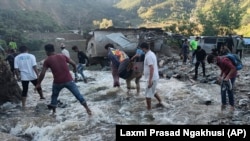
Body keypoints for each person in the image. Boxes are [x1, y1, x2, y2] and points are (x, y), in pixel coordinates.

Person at [35, 44, 92, 115]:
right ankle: (88, 109)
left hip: (57, 82)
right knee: (78, 95)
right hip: (69, 80)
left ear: (46, 51)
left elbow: (42, 73)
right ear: (54, 49)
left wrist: (38, 83)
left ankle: (54, 113)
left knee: (54, 96)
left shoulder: (47, 60)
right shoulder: (62, 56)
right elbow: (74, 63)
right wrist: (74, 69)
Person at [140, 42, 162, 110]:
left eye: (142, 49)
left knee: (147, 96)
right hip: (154, 77)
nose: (142, 50)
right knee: (153, 91)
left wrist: (150, 80)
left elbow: (151, 68)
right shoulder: (151, 53)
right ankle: (161, 102)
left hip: (152, 78)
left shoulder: (149, 56)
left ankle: (149, 110)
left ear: (144, 48)